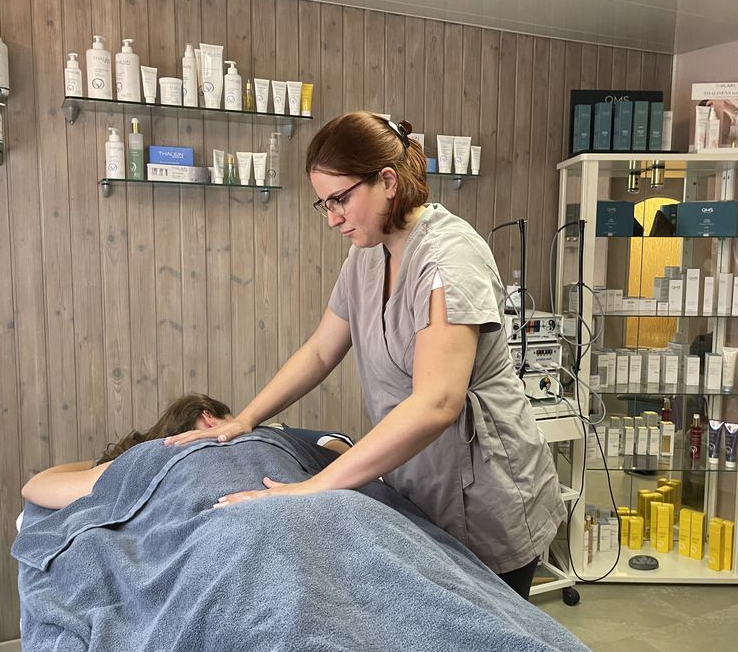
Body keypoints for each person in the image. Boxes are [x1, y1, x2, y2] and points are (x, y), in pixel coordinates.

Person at [166, 112, 565, 597]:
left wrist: (313, 488)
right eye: (324, 203)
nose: (332, 218)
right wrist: (244, 420)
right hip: (418, 483)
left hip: (486, 495)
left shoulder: (448, 258)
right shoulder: (368, 252)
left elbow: (437, 402)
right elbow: (320, 350)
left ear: (388, 182)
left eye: (341, 199)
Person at [20, 393, 351, 510]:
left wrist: (109, 461)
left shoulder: (148, 458)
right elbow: (337, 447)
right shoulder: (271, 433)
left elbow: (36, 486)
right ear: (210, 418)